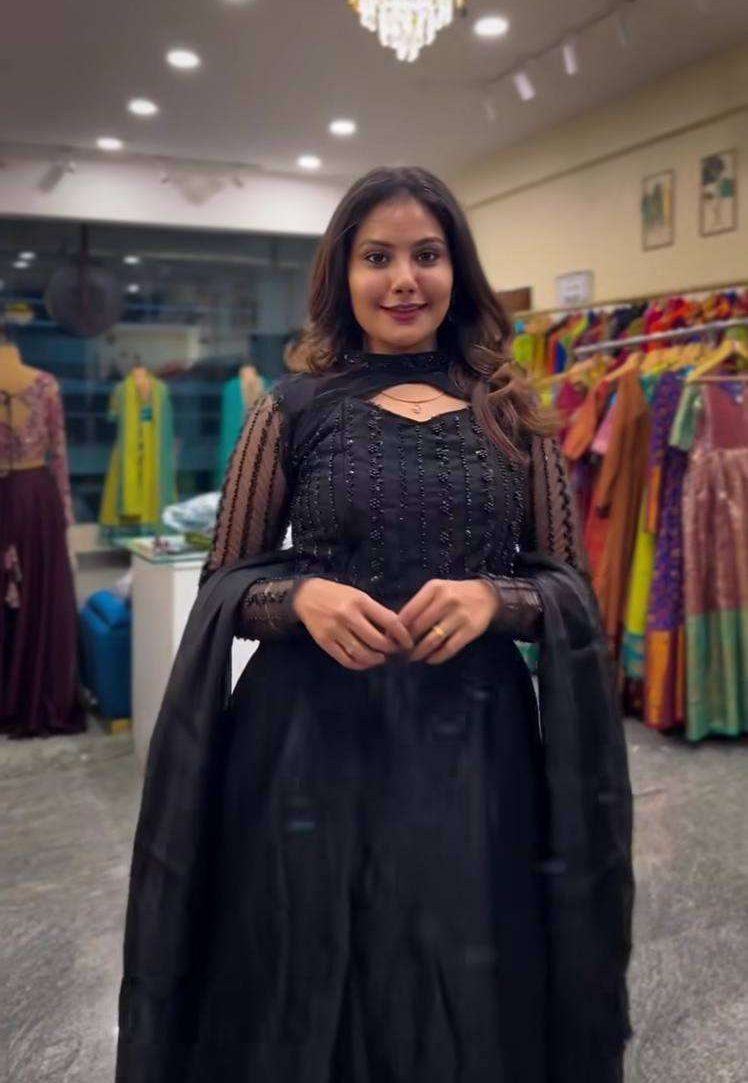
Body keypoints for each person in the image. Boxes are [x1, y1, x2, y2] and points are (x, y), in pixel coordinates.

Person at [116, 167, 633, 1083]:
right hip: (309, 746)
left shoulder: (514, 414)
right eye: (377, 257)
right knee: (312, 959)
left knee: (464, 956)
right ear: (342, 274)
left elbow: (570, 594)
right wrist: (301, 598)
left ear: (456, 270)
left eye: (426, 255)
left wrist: (494, 599)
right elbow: (225, 584)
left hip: (472, 748)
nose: (403, 280)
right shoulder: (289, 410)